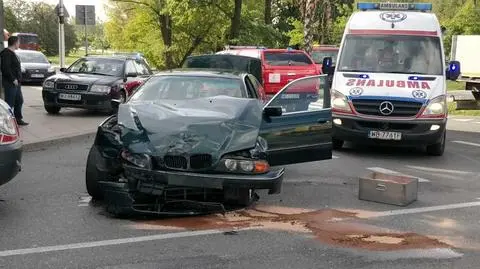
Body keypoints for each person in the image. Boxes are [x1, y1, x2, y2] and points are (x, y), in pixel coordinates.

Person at [1, 36, 28, 125]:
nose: (19, 44)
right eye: (18, 42)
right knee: (9, 103)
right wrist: (13, 79)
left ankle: (18, 119)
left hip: (17, 83)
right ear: (15, 43)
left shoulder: (13, 53)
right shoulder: (6, 53)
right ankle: (6, 122)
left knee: (19, 100)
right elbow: (5, 68)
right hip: (10, 83)